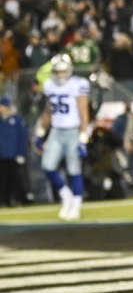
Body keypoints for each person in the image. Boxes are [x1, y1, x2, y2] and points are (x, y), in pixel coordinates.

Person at [35, 55, 92, 220]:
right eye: (57, 71)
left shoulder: (78, 85)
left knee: (74, 168)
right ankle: (66, 195)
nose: (60, 74)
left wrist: (83, 136)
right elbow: (48, 111)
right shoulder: (50, 86)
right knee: (47, 166)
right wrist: (40, 132)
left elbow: (84, 112)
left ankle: (76, 204)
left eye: (62, 71)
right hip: (57, 130)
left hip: (73, 130)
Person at [0, 96, 30, 207]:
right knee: (3, 180)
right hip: (2, 155)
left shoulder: (17, 119)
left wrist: (21, 153)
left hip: (14, 155)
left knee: (17, 179)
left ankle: (20, 199)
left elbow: (23, 137)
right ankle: (4, 201)